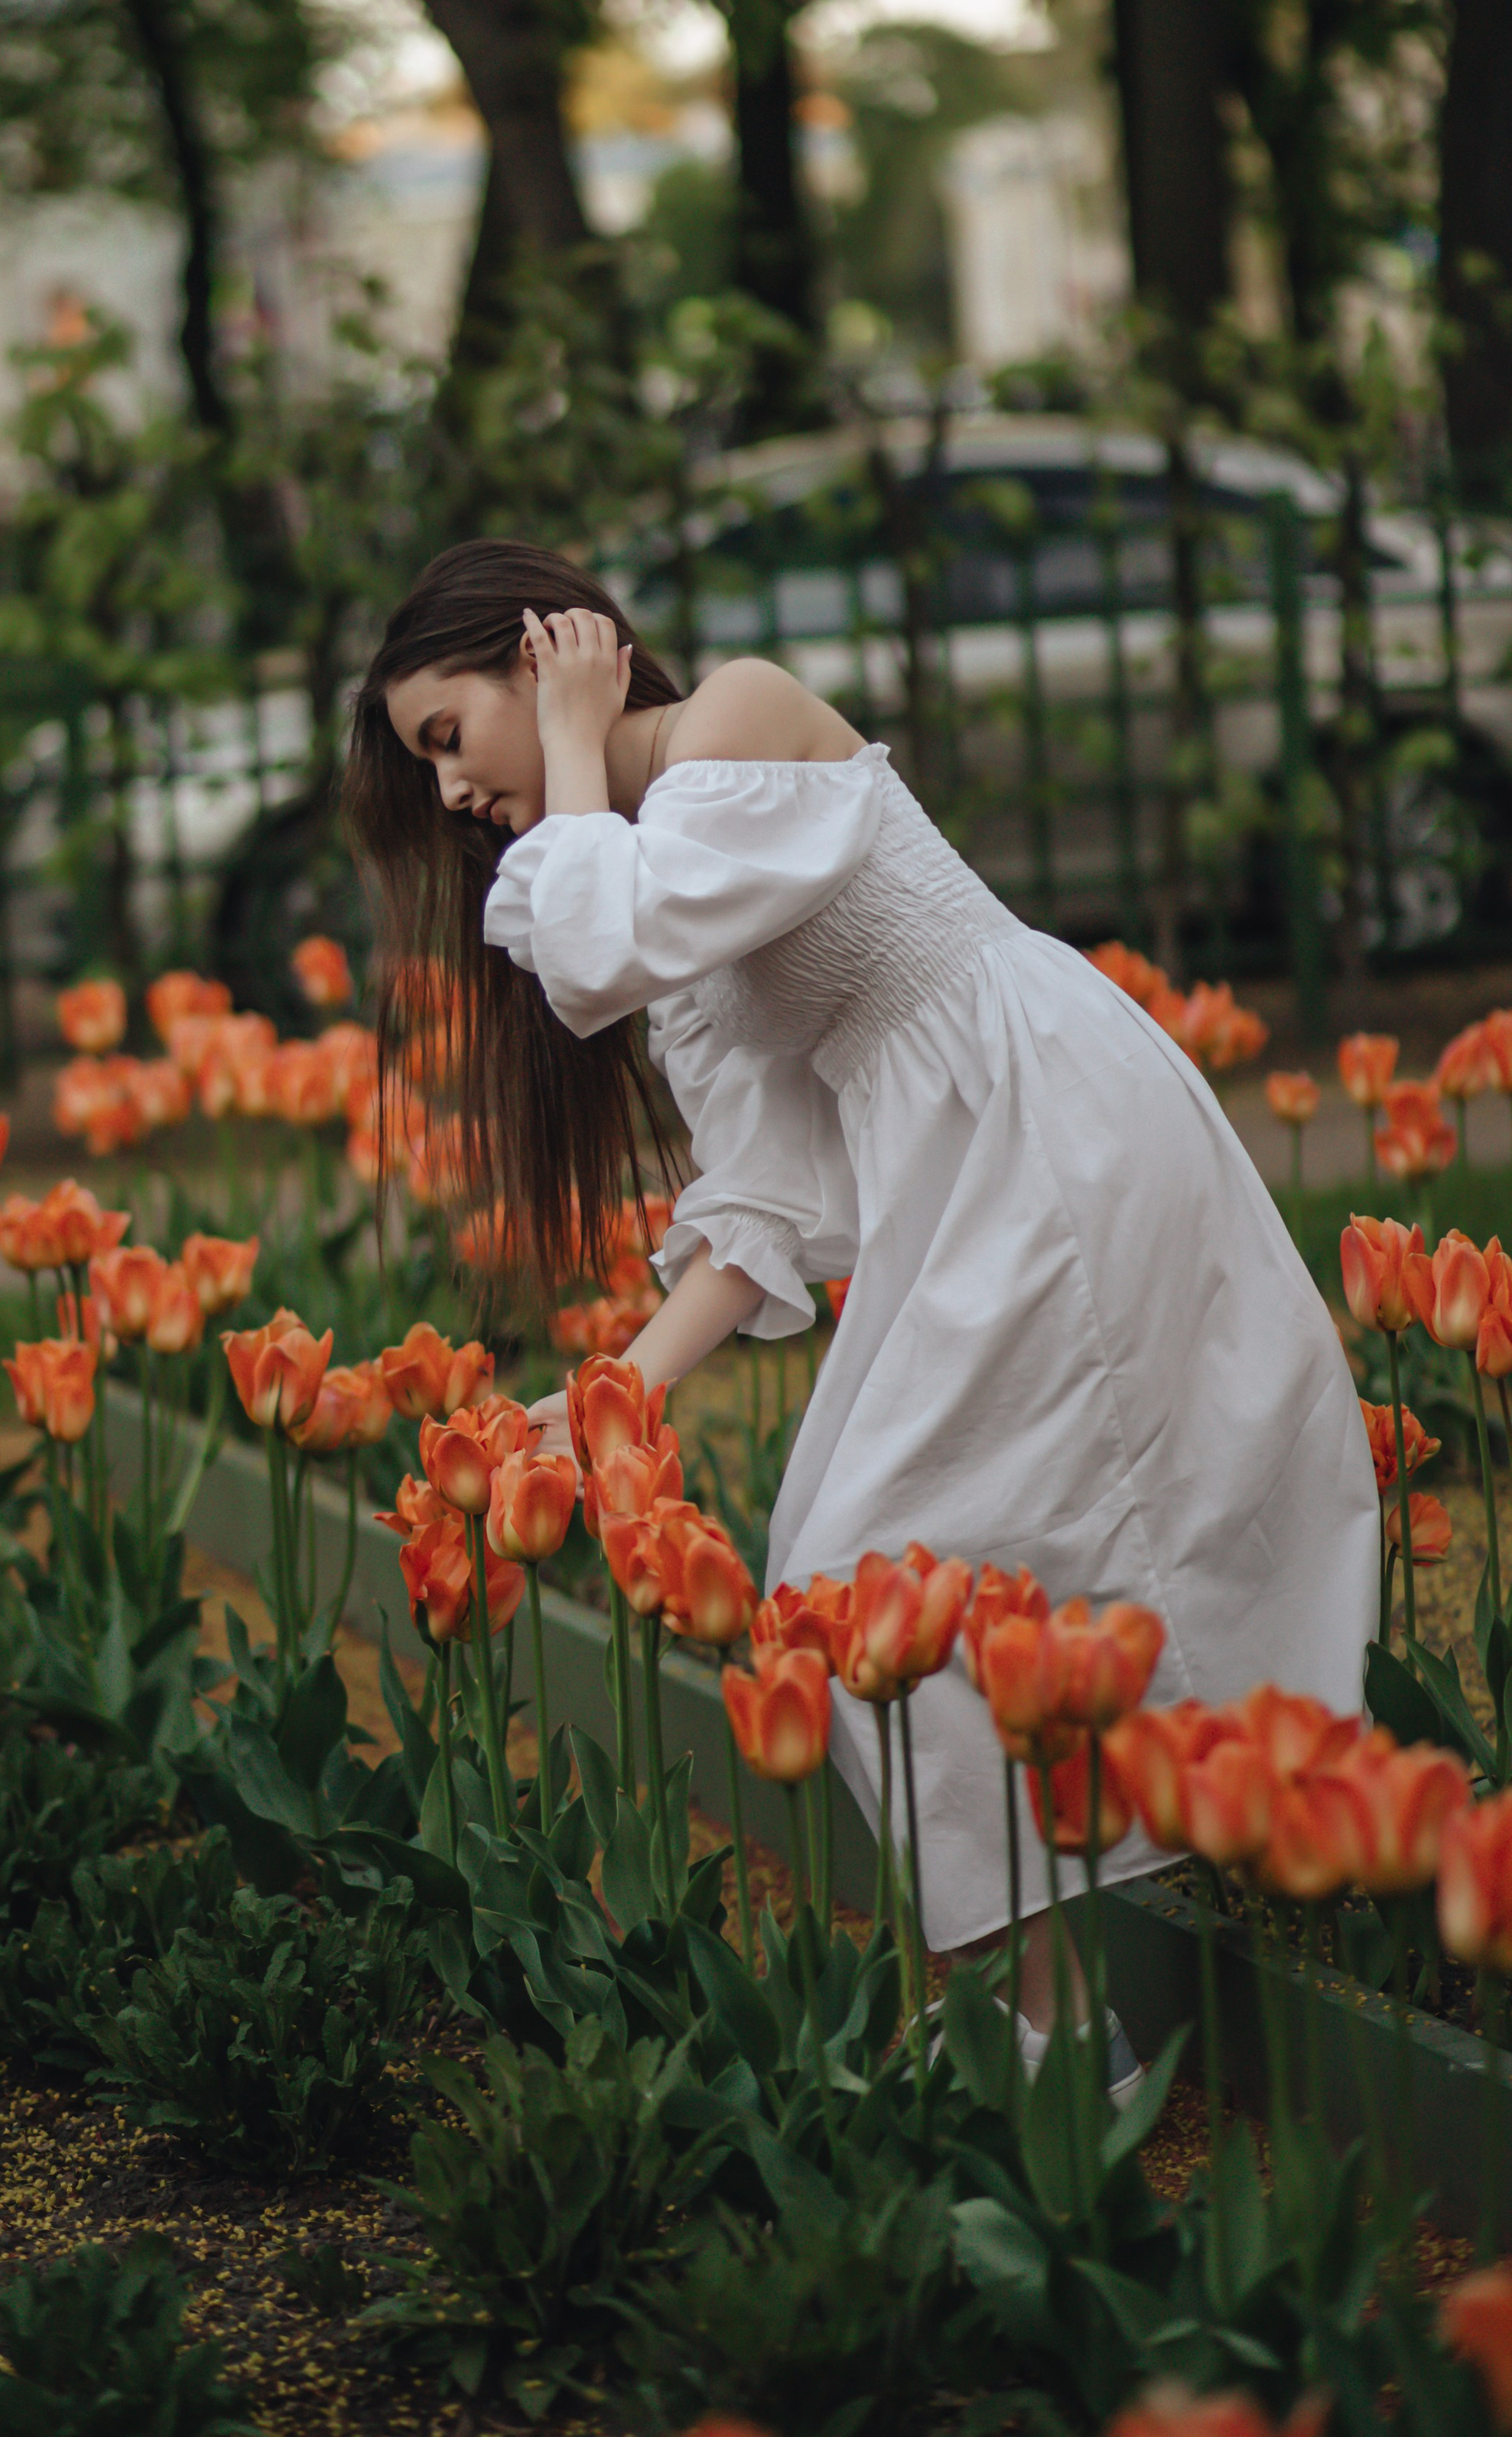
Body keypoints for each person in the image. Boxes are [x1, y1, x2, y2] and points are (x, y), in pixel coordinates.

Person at [344, 538, 1375, 2084]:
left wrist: (569, 740)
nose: (448, 795)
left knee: (870, 1560)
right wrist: (622, 1390)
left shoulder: (732, 727)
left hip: (1045, 1135)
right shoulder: (658, 867)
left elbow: (590, 949)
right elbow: (760, 1196)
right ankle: (1068, 1989)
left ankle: (1071, 2018)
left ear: (549, 652)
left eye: (447, 736)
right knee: (862, 1574)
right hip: (961, 1178)